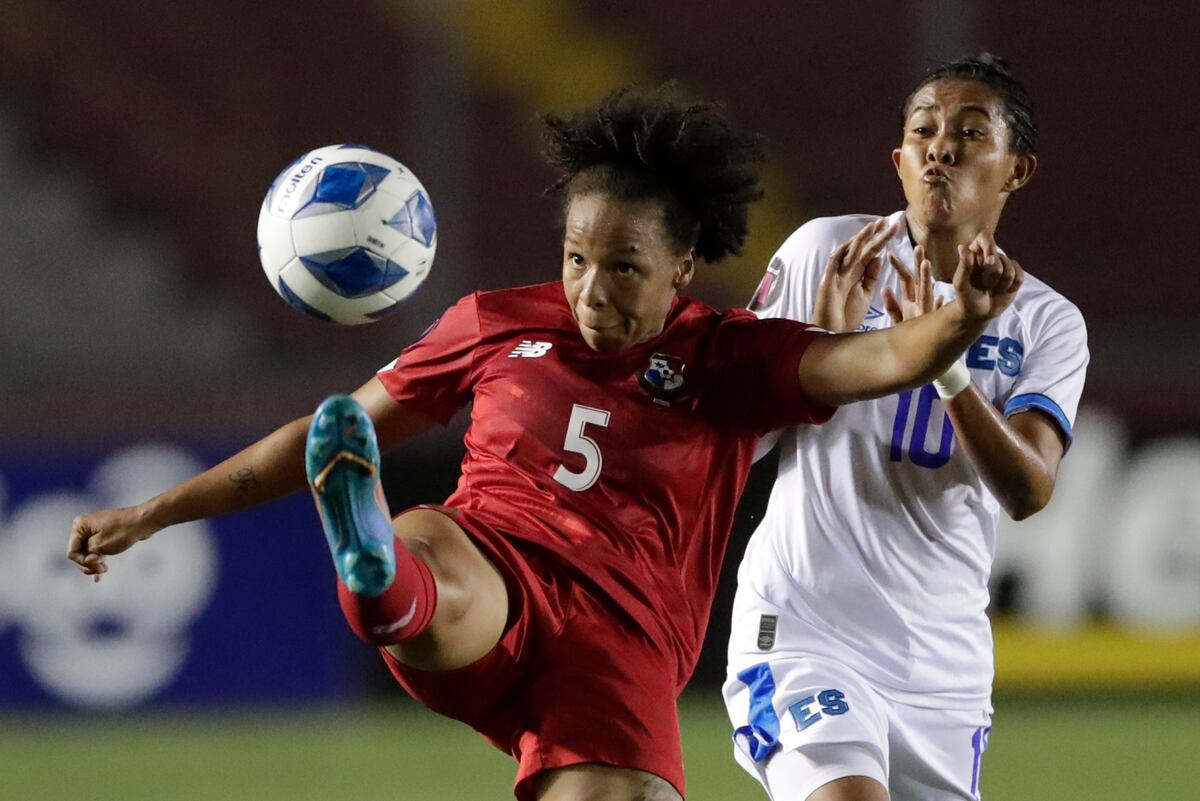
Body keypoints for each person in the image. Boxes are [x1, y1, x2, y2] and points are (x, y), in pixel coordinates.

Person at [68, 85, 1023, 801]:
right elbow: (322, 434)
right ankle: (381, 579)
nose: (590, 289)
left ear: (683, 269)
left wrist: (956, 327)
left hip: (619, 651)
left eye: (624, 267)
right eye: (575, 257)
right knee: (429, 541)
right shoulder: (494, 322)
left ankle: (388, 581)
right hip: (495, 568)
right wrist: (155, 511)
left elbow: (877, 359)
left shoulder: (730, 356)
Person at [724, 55, 1089, 801]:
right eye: (923, 130)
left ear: (1016, 170)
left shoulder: (1046, 321)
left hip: (940, 668)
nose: (941, 146)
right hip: (805, 632)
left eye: (969, 131)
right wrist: (814, 351)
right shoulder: (826, 253)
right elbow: (736, 441)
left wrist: (945, 361)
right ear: (898, 161)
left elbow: (1028, 487)